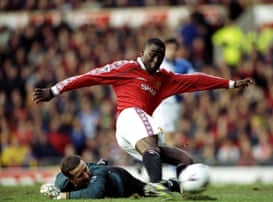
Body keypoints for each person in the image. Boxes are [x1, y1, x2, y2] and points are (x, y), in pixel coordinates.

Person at [33, 38, 254, 184]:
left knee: (185, 159)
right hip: (129, 118)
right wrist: (54, 89)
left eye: (160, 56)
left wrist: (231, 84)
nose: (156, 60)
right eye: (152, 54)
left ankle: (181, 192)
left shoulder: (165, 79)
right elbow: (89, 77)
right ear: (143, 52)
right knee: (148, 132)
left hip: (135, 133)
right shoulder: (126, 68)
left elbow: (196, 80)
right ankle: (156, 187)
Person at [40, 154, 175, 199]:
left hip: (120, 179)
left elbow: (95, 194)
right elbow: (57, 186)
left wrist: (65, 196)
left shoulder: (97, 171)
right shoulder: (61, 182)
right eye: (81, 175)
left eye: (86, 169)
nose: (87, 175)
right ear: (70, 179)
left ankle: (174, 184)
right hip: (105, 174)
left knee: (150, 190)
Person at [152, 37, 196, 145]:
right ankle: (169, 161)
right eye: (169, 49)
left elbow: (195, 80)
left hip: (177, 105)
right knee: (167, 135)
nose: (171, 52)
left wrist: (190, 92)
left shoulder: (184, 65)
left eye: (174, 49)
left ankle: (166, 158)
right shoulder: (159, 65)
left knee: (171, 135)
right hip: (163, 105)